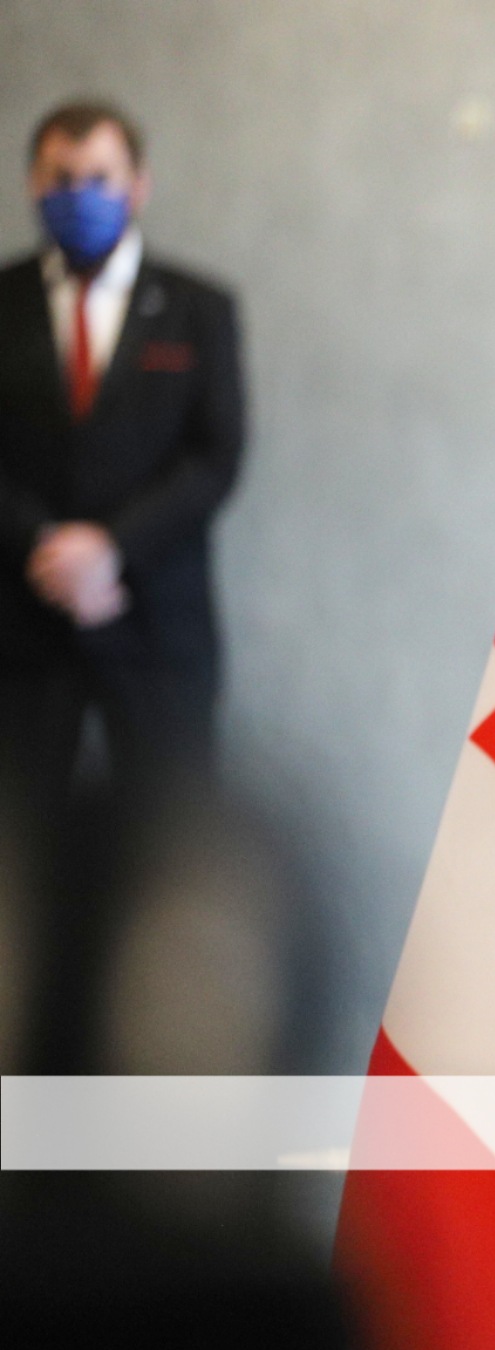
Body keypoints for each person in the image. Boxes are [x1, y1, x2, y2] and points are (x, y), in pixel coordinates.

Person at [0, 100, 244, 816]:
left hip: (158, 622)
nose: (81, 194)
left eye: (101, 177)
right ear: (33, 184)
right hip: (20, 625)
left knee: (170, 836)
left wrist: (110, 548)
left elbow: (217, 454)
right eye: (62, 177)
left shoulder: (200, 309)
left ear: (138, 185)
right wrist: (45, 546)